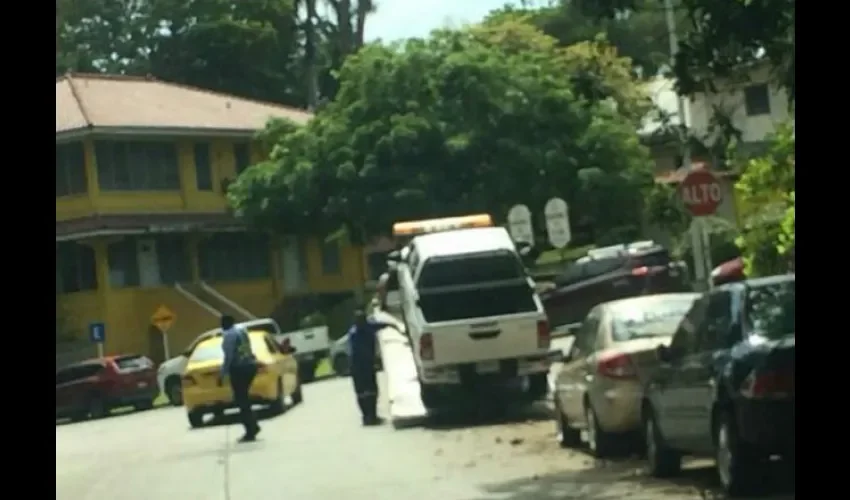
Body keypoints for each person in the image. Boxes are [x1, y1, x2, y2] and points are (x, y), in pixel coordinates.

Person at [347, 309, 395, 426]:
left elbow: (380, 325)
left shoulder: (364, 328)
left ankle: (371, 416)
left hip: (363, 365)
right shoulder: (356, 333)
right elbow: (357, 351)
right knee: (364, 392)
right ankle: (368, 416)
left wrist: (392, 325)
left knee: (370, 392)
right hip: (361, 365)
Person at [218, 315, 261, 442]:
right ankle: (253, 425)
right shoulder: (242, 330)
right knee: (244, 398)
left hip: (239, 369)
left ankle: (250, 430)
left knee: (241, 399)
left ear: (224, 324)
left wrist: (222, 374)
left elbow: (228, 357)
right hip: (250, 366)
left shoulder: (229, 336)